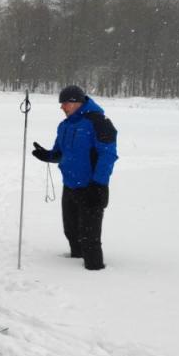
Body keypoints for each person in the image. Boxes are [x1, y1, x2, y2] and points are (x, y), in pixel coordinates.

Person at [32, 85, 118, 271]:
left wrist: (98, 184)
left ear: (76, 102)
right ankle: (73, 267)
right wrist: (47, 155)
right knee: (71, 231)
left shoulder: (99, 123)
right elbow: (60, 153)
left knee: (90, 238)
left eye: (65, 103)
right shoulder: (64, 126)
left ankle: (95, 271)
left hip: (91, 187)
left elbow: (108, 156)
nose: (62, 107)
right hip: (70, 186)